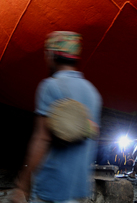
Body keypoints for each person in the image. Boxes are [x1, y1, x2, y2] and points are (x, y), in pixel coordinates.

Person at [11, 31, 102, 203]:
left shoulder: (50, 87)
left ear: (51, 55)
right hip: (80, 191)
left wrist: (23, 185)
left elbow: (42, 139)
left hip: (51, 190)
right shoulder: (93, 93)